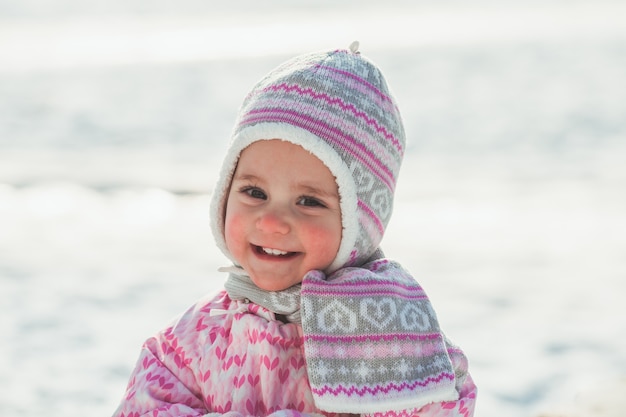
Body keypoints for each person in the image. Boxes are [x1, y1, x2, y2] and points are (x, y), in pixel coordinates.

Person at [113, 41, 477, 417]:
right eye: (255, 192)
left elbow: (441, 404)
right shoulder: (197, 335)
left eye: (309, 201)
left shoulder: (387, 326)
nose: (271, 221)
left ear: (360, 223)